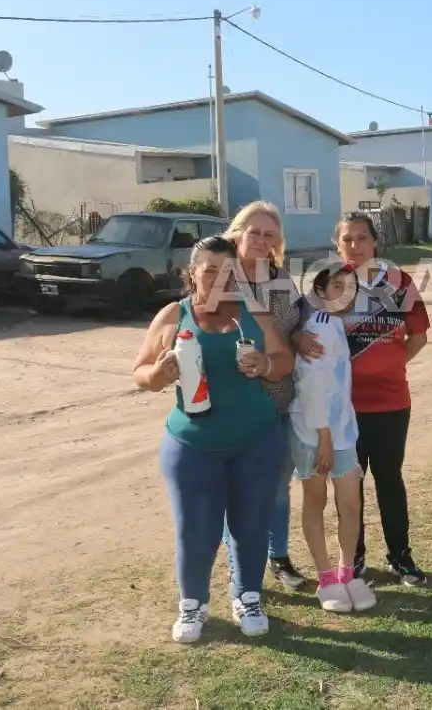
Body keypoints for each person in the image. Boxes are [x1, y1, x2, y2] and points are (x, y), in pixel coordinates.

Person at [131, 236, 295, 643]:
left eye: (229, 272)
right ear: (192, 273)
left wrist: (265, 364)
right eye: (210, 271)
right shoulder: (175, 314)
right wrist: (158, 375)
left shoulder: (254, 312)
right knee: (196, 531)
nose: (221, 280)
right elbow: (140, 372)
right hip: (193, 445)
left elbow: (284, 361)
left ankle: (247, 596)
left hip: (256, 440)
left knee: (251, 525)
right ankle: (193, 604)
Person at [297, 212, 430, 584]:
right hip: (344, 408)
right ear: (336, 245)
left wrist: (390, 363)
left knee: (389, 478)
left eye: (362, 238)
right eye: (347, 239)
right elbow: (300, 330)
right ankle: (353, 557)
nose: (355, 245)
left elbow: (418, 336)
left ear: (375, 242)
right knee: (349, 483)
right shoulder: (328, 284)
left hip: (391, 401)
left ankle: (401, 556)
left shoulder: (399, 282)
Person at [219, 201, 309, 592]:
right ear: (237, 234)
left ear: (277, 242)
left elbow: (297, 325)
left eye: (269, 234)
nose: (260, 239)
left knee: (276, 484)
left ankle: (278, 557)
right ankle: (239, 565)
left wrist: (302, 334)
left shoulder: (281, 279)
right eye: (253, 232)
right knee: (237, 488)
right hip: (235, 401)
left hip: (279, 397)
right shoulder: (220, 277)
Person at [289, 260, 377, 613]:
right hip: (314, 432)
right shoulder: (320, 328)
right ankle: (326, 577)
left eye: (351, 288)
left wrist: (338, 432)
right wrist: (324, 436)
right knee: (316, 499)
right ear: (320, 291)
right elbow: (311, 385)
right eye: (338, 287)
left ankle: (347, 573)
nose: (346, 295)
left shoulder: (337, 325)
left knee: (351, 503)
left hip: (342, 430)